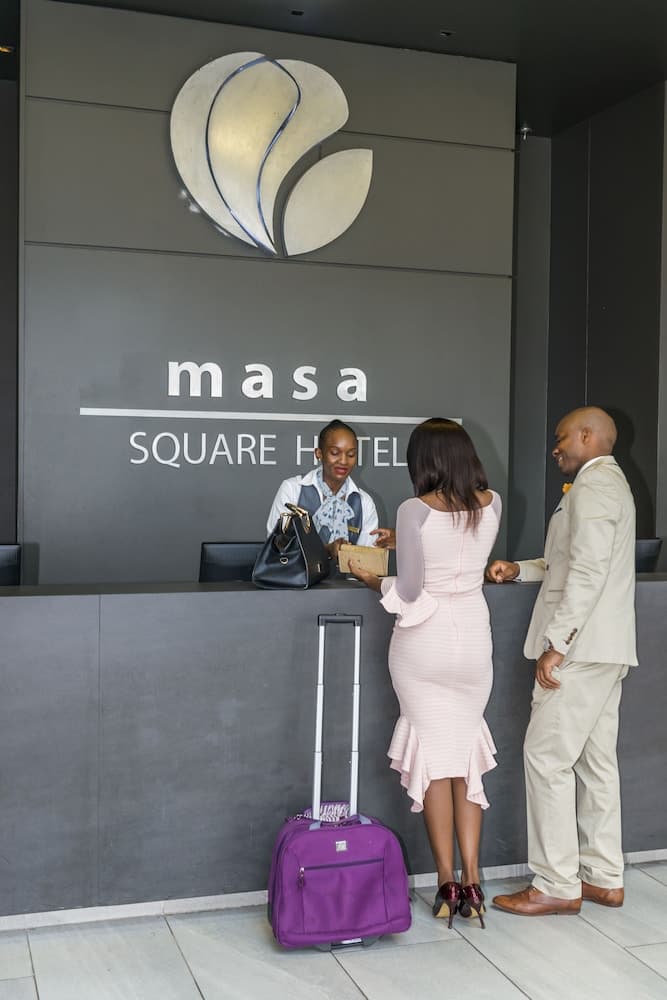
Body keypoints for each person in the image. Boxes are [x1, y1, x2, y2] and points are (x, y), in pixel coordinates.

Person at [349, 418, 501, 928]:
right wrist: (406, 543)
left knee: (434, 761)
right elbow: (458, 554)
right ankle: (474, 882)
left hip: (424, 644)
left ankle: (446, 882)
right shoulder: (492, 503)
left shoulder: (414, 509)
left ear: (424, 459)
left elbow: (411, 590)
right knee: (466, 756)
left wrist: (370, 577)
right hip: (473, 640)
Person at [487, 406, 637, 916]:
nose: (556, 447)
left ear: (588, 436)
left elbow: (589, 572)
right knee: (595, 762)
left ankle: (555, 882)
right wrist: (520, 569)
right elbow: (567, 564)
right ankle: (602, 876)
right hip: (604, 648)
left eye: (562, 437)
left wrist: (558, 644)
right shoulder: (605, 485)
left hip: (580, 649)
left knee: (546, 758)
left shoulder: (594, 487)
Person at [266, 420, 379, 558]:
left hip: (348, 573)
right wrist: (326, 551)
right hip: (297, 573)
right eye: (335, 452)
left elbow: (367, 559)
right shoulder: (293, 489)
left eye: (351, 455)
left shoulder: (364, 502)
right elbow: (277, 547)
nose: (343, 461)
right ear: (319, 453)